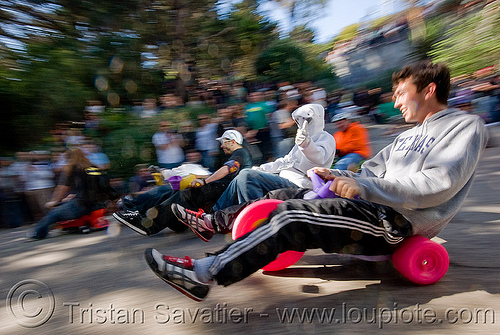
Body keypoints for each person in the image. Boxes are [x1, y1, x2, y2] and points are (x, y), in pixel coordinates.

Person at [143, 61, 488, 301]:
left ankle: (205, 273)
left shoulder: (466, 126)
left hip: (396, 222)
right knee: (281, 193)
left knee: (291, 216)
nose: (395, 101)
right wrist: (336, 175)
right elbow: (368, 173)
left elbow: (439, 183)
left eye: (400, 93)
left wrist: (364, 187)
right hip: (368, 204)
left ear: (429, 90)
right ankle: (211, 221)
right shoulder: (404, 137)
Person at [113, 130, 253, 236]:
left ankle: (148, 225)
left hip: (224, 189)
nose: (221, 146)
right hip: (223, 187)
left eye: (223, 142)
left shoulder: (240, 153)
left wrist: (205, 181)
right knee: (174, 192)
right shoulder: (238, 155)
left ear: (232, 141)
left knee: (185, 195)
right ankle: (150, 215)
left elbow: (226, 170)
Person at [211, 103, 335, 212]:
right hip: (284, 179)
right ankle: (214, 214)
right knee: (243, 174)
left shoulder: (325, 138)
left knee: (247, 176)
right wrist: (260, 169)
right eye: (299, 120)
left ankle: (256, 217)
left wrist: (306, 144)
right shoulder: (301, 141)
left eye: (306, 120)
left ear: (316, 118)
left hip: (300, 186)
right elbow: (286, 161)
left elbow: (319, 158)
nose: (302, 123)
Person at [27, 148, 118, 240]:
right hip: (98, 206)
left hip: (81, 205)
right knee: (67, 203)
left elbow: (62, 188)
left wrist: (53, 201)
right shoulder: (93, 168)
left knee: (53, 213)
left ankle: (37, 234)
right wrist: (113, 200)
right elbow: (104, 186)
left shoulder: (72, 169)